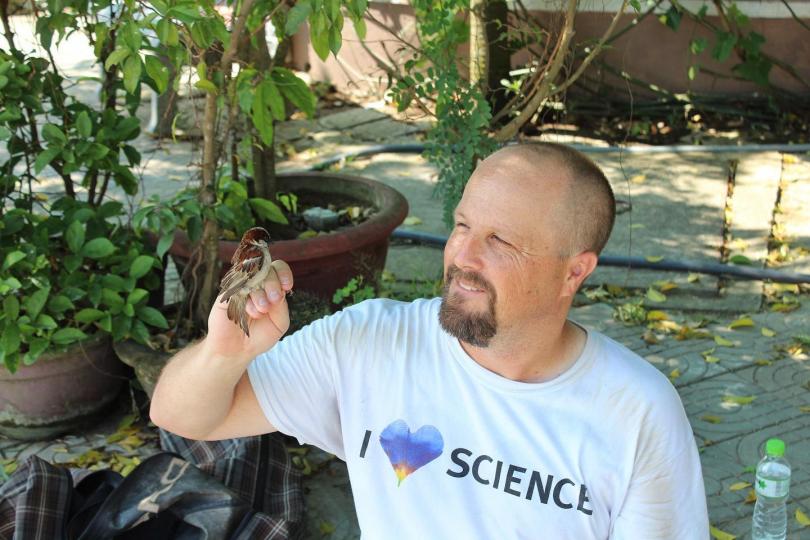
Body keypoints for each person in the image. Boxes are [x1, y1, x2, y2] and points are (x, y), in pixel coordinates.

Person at [151, 142, 710, 539]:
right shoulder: (371, 340)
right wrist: (226, 352)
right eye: (463, 226)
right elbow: (182, 415)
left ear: (574, 272)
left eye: (502, 240)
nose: (463, 257)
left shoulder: (636, 412)